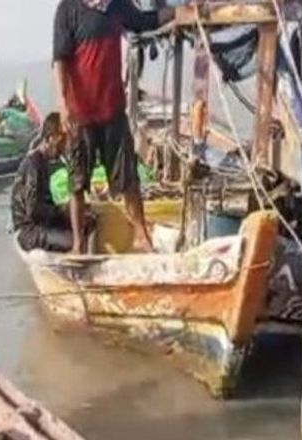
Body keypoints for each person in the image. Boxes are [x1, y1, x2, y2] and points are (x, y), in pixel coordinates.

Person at [53, 0, 172, 254]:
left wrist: (178, 12)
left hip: (112, 111)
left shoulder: (117, 5)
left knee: (128, 178)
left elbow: (144, 21)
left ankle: (141, 235)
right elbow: (60, 60)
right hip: (80, 114)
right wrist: (63, 105)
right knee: (77, 182)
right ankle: (79, 243)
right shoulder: (68, 9)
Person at [11, 113, 93, 253]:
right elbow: (34, 211)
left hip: (40, 225)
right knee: (76, 240)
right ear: (49, 138)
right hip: (29, 231)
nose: (63, 147)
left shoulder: (43, 162)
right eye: (61, 142)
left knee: (87, 222)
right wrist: (63, 211)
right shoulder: (34, 164)